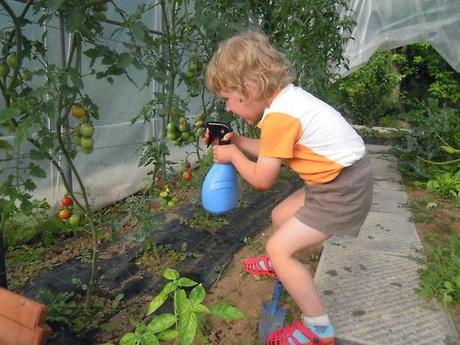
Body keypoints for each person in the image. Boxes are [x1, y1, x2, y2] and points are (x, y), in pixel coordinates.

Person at [204, 31, 373, 345]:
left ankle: (318, 329)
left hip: (342, 189)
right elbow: (273, 150)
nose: (227, 107)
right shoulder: (288, 101)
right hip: (340, 178)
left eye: (227, 98)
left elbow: (262, 178)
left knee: (278, 247)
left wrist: (233, 155)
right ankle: (279, 264)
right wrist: (239, 141)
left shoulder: (281, 117)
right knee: (280, 214)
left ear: (250, 87)